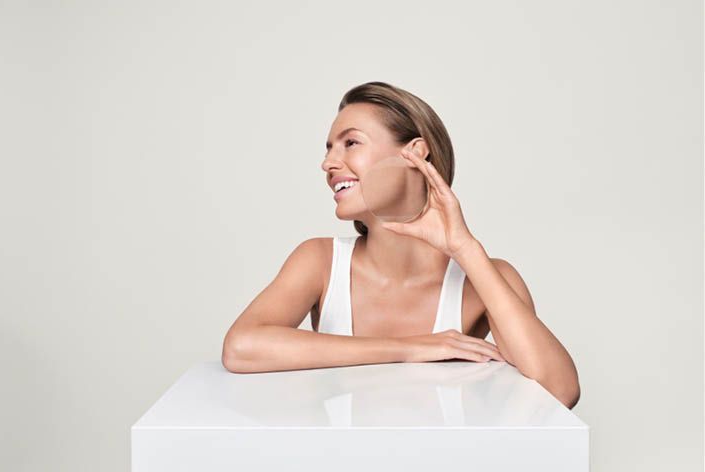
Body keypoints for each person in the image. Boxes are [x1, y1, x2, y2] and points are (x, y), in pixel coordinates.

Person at [222, 81, 580, 409]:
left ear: (415, 153)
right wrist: (410, 348)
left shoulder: (487, 278)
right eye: (329, 148)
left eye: (351, 143)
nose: (328, 163)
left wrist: (464, 247)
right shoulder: (319, 261)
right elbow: (241, 347)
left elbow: (558, 389)